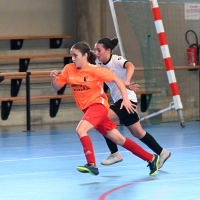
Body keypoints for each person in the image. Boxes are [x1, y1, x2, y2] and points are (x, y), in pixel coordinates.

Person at [50, 41, 160, 176]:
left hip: (98, 106)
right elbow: (57, 87)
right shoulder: (68, 69)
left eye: (75, 55)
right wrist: (53, 79)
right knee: (119, 139)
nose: (73, 59)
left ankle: (91, 164)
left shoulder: (95, 70)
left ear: (85, 55)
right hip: (88, 110)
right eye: (71, 56)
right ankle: (151, 158)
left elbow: (118, 80)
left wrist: (125, 99)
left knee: (81, 130)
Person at [94, 38, 171, 169]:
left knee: (102, 119)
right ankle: (163, 152)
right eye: (95, 50)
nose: (96, 52)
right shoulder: (97, 62)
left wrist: (127, 82)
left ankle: (115, 153)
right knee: (138, 133)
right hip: (119, 100)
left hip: (127, 100)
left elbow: (131, 65)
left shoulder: (116, 60)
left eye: (99, 50)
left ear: (108, 50)